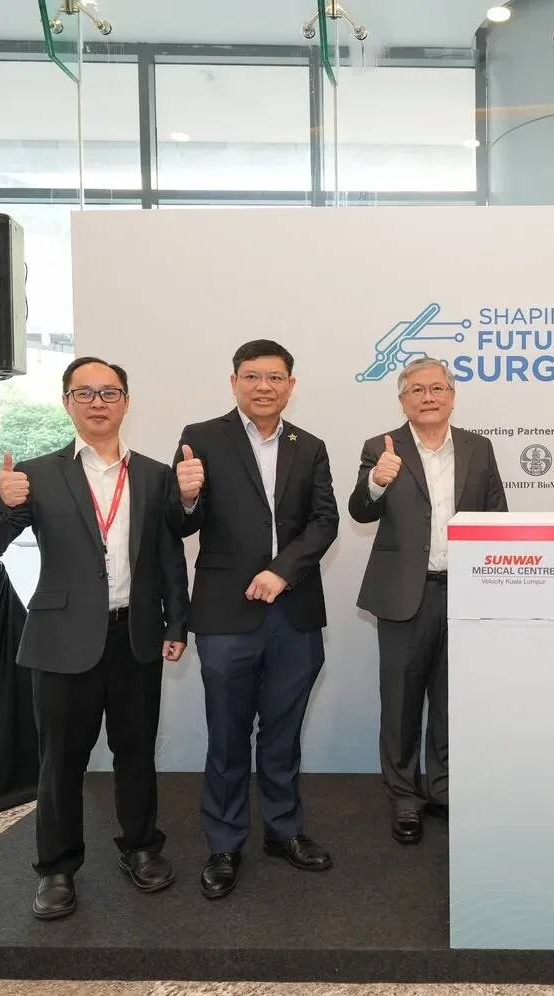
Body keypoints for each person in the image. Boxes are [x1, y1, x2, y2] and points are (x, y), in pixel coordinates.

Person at [0, 356, 188, 921]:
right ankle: (58, 869)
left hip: (135, 637)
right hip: (63, 639)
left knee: (136, 753)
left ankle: (140, 848)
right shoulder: (36, 474)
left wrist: (176, 623)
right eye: (84, 392)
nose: (97, 402)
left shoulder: (157, 475)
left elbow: (168, 558)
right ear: (67, 402)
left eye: (109, 392)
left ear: (126, 402)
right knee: (60, 760)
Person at [173, 339, 340, 899]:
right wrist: (187, 499)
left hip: (292, 610)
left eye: (275, 377)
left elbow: (324, 522)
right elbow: (180, 522)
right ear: (234, 382)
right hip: (225, 613)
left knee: (283, 732)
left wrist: (281, 571)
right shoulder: (201, 437)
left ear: (291, 384)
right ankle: (223, 844)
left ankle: (284, 830)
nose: (263, 386)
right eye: (252, 376)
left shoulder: (310, 446)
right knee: (227, 735)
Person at [347, 357, 509, 845]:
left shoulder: (479, 448)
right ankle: (403, 796)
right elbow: (358, 509)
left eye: (437, 387)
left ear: (452, 396)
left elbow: (498, 516)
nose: (428, 396)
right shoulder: (382, 447)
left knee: (450, 700)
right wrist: (378, 480)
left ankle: (442, 789)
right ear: (402, 401)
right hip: (403, 596)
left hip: (464, 593)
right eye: (416, 390)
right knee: (400, 702)